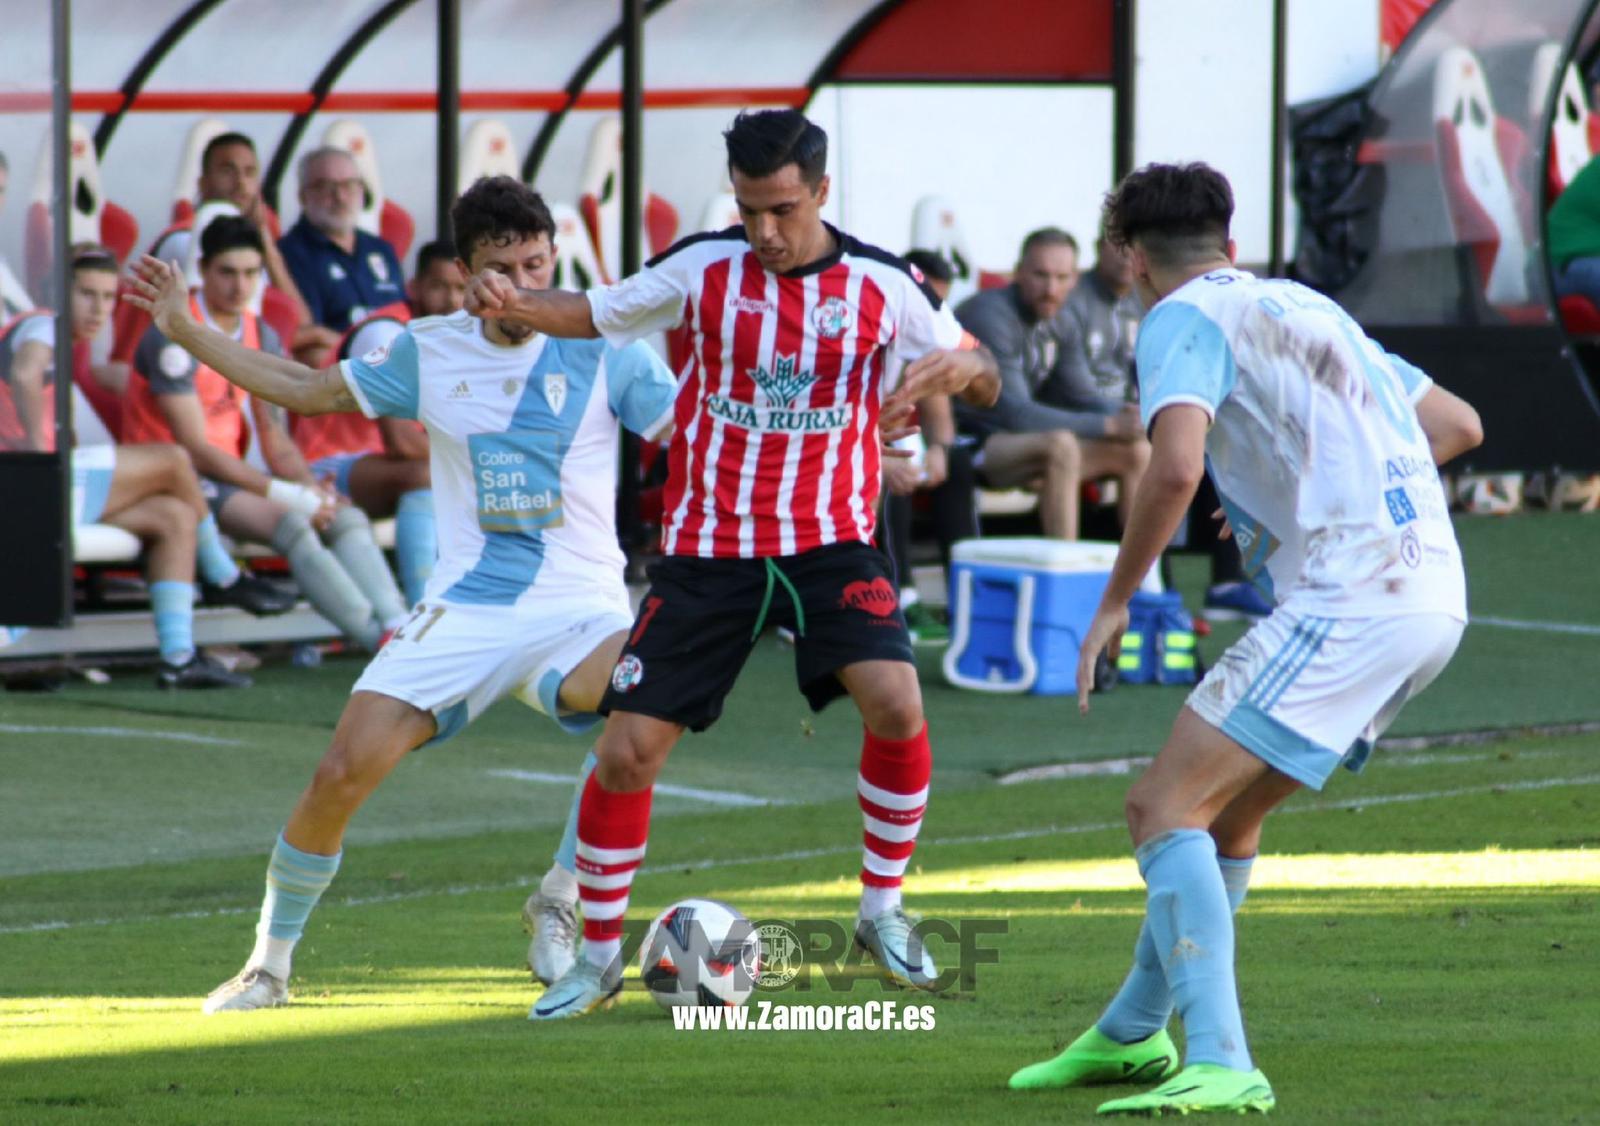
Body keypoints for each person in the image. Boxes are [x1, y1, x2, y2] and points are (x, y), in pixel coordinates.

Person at [461, 108, 1000, 1019]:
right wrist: (509, 302)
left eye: (783, 209)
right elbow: (589, 313)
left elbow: (983, 373)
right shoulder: (704, 267)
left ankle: (883, 910)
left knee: (899, 703)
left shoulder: (884, 284)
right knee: (627, 750)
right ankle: (596, 960)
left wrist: (960, 373)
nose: (765, 232)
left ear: (822, 192)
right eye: (750, 210)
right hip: (710, 547)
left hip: (832, 541)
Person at [124, 174, 680, 1014]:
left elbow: (700, 437)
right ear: (465, 275)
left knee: (648, 710)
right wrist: (184, 328)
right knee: (341, 773)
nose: (524, 285)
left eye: (538, 264)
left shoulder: (610, 346)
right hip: (464, 608)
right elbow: (307, 390)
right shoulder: (427, 349)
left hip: (582, 604)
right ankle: (268, 967)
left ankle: (561, 897)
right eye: (504, 269)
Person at [1008, 162, 1482, 1115]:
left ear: (1129, 258)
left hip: (1352, 601)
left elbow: (1173, 468)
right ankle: (1131, 1035)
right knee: (1227, 815)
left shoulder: (1178, 319)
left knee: (1160, 808)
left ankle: (1222, 1058)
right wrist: (1300, 476)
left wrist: (1112, 604)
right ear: (1230, 242)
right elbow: (1458, 425)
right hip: (1431, 595)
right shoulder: (1307, 307)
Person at [0, 245, 290, 687]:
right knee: (173, 458)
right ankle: (223, 576)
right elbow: (24, 372)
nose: (98, 309)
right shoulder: (45, 323)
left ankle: (178, 659)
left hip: (37, 489)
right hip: (25, 488)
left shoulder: (64, 344)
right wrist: (44, 462)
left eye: (107, 297)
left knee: (173, 516)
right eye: (86, 294)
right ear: (59, 293)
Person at [127, 216, 408, 652]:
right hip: (179, 482)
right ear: (202, 269)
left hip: (230, 478)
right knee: (294, 521)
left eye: (251, 273)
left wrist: (313, 489)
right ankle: (383, 646)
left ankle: (398, 624)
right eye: (228, 272)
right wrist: (293, 497)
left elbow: (275, 436)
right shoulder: (173, 333)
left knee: (342, 515)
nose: (240, 286)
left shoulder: (261, 333)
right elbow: (196, 450)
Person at [290, 240, 464, 605]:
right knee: (431, 474)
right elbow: (400, 443)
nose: (451, 300)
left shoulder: (452, 339)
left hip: (379, 469)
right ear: (414, 288)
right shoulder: (385, 332)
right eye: (439, 286)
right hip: (323, 466)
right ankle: (422, 609)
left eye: (461, 288)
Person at [955, 228, 1150, 539]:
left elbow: (1082, 395)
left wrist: (1139, 417)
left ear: (1075, 279)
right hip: (970, 443)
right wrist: (1110, 426)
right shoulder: (991, 315)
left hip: (1025, 445)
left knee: (1137, 450)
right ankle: (1065, 573)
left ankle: (1146, 580)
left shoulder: (1061, 319)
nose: (1051, 288)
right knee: (1061, 445)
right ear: (1018, 272)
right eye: (1040, 275)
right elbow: (1014, 414)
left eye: (1062, 278)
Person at [880, 248, 981, 642]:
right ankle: (898, 597)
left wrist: (939, 448)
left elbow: (940, 418)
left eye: (940, 302)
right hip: (839, 453)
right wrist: (877, 459)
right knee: (894, 468)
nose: (933, 312)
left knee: (955, 460)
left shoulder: (928, 337)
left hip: (892, 445)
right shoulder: (865, 330)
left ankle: (967, 595)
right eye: (927, 300)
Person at [277, 147, 405, 335]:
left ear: (362, 190)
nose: (340, 197)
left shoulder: (381, 249)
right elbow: (308, 335)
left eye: (349, 185)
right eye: (326, 186)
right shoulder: (290, 254)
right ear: (303, 196)